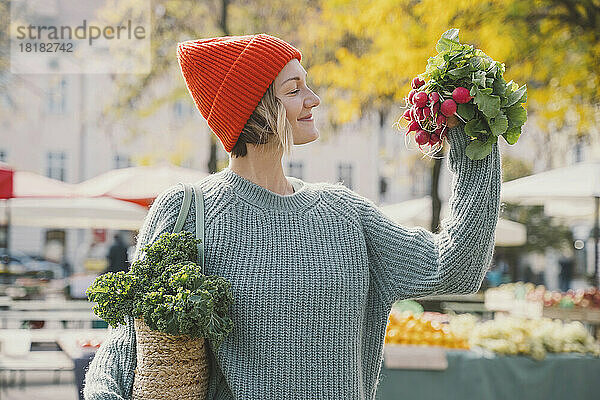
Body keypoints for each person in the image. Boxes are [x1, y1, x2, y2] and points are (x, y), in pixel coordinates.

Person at [83, 33, 501, 400]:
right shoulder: (186, 212)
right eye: (294, 89)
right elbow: (128, 347)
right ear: (257, 107)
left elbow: (456, 268)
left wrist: (476, 137)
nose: (313, 98)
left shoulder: (344, 212)